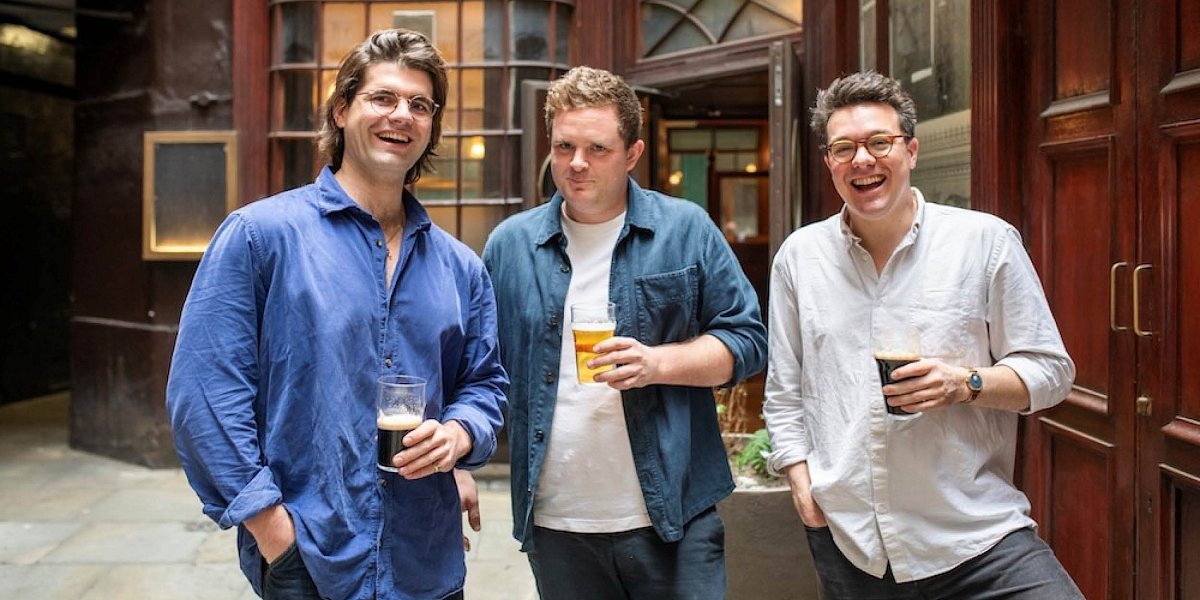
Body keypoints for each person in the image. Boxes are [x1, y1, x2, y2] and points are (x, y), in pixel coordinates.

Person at [166, 29, 507, 600]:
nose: (402, 115)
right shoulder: (260, 237)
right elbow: (205, 394)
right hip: (312, 563)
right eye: (383, 97)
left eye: (420, 105)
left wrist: (459, 433)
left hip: (427, 563)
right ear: (341, 109)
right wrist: (272, 531)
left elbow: (485, 384)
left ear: (431, 127)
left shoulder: (461, 267)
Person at [763, 70, 1083, 599]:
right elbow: (784, 392)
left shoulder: (984, 242)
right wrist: (802, 487)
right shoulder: (800, 257)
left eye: (879, 142)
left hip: (975, 536)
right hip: (852, 543)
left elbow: (1051, 372)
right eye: (843, 148)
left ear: (910, 151)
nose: (862, 160)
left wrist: (965, 383)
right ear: (829, 163)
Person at [481, 66, 767, 599]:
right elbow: (479, 370)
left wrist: (658, 364)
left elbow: (747, 341)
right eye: (564, 147)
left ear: (633, 154)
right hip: (558, 523)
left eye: (598, 148)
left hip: (675, 515)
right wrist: (461, 462)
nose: (577, 163)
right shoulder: (509, 246)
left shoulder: (685, 229)